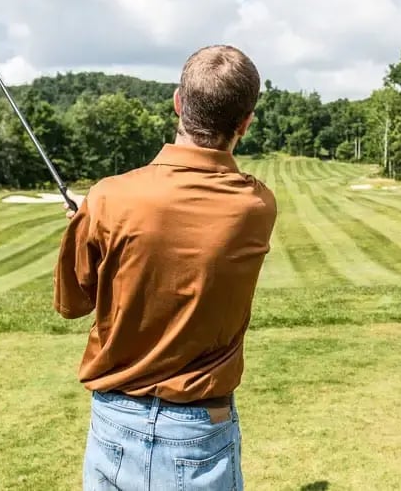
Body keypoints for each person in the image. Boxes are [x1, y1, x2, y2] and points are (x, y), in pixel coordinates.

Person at [53, 44, 277, 491]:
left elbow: (72, 303)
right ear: (246, 123)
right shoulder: (257, 205)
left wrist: (90, 220)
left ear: (178, 102)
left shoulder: (107, 198)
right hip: (199, 432)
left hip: (114, 424)